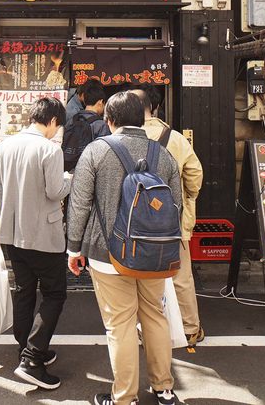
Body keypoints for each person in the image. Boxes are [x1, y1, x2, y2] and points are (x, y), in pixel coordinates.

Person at [67, 90, 182, 405]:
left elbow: (79, 204)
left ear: (109, 119)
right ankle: (165, 391)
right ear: (143, 117)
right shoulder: (164, 154)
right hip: (155, 252)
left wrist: (74, 249)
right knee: (156, 316)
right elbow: (177, 205)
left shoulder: (96, 151)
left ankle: (125, 398)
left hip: (108, 255)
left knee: (120, 324)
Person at [0, 96, 71, 390]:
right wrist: (69, 179)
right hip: (42, 235)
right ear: (52, 121)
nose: (57, 132)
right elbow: (55, 191)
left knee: (23, 291)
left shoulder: (5, 146)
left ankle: (25, 348)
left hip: (11, 234)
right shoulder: (50, 150)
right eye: (57, 126)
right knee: (54, 294)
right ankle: (32, 360)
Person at [134, 84, 205, 346]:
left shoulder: (127, 138)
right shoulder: (175, 138)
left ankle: (143, 329)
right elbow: (195, 174)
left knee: (138, 275)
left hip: (136, 220)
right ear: (156, 108)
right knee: (180, 276)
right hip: (173, 218)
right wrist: (187, 198)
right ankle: (189, 329)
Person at [62, 79, 111, 172]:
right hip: (89, 173)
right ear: (100, 102)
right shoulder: (101, 126)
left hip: (70, 172)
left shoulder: (72, 119)